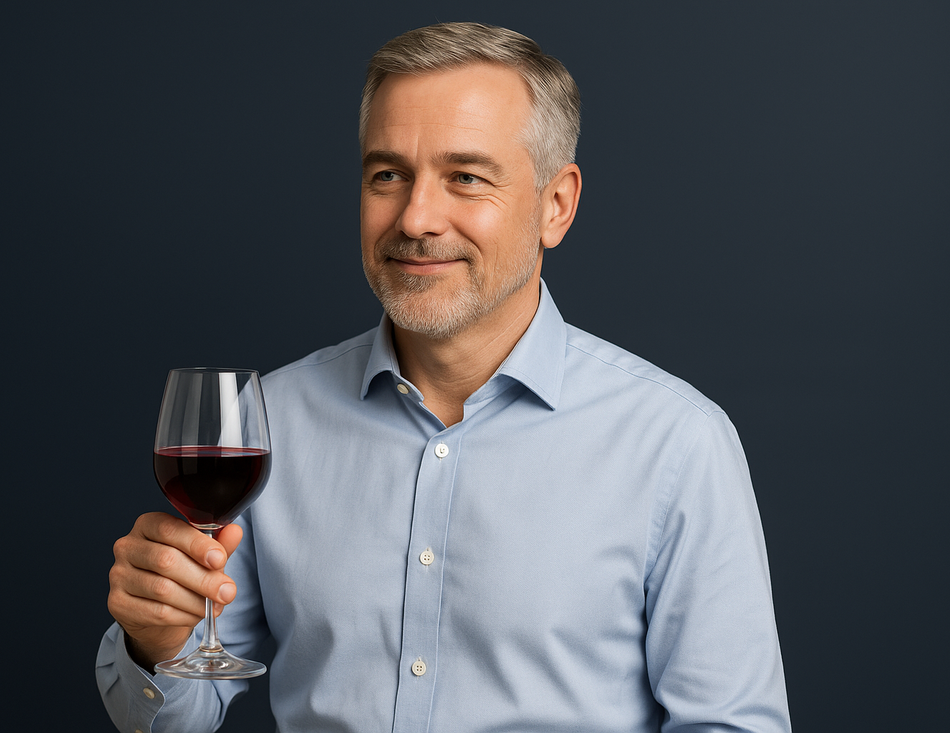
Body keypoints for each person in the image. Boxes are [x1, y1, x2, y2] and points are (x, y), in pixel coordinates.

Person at [97, 22, 791, 733]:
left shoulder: (677, 443)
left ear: (556, 205)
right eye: (387, 175)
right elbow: (174, 719)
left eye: (466, 177)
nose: (416, 218)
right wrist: (155, 644)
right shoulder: (268, 422)